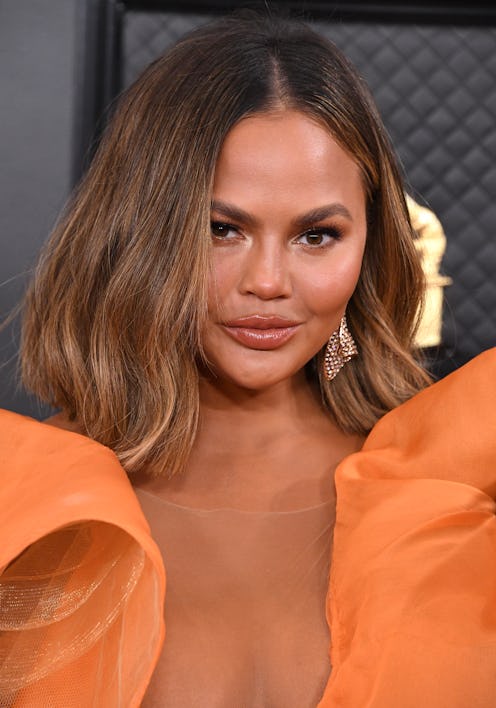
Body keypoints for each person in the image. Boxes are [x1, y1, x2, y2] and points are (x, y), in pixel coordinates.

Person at [1, 10, 495, 708]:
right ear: (142, 234)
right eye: (221, 229)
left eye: (317, 235)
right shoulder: (25, 502)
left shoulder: (453, 495)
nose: (267, 281)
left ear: (370, 246)